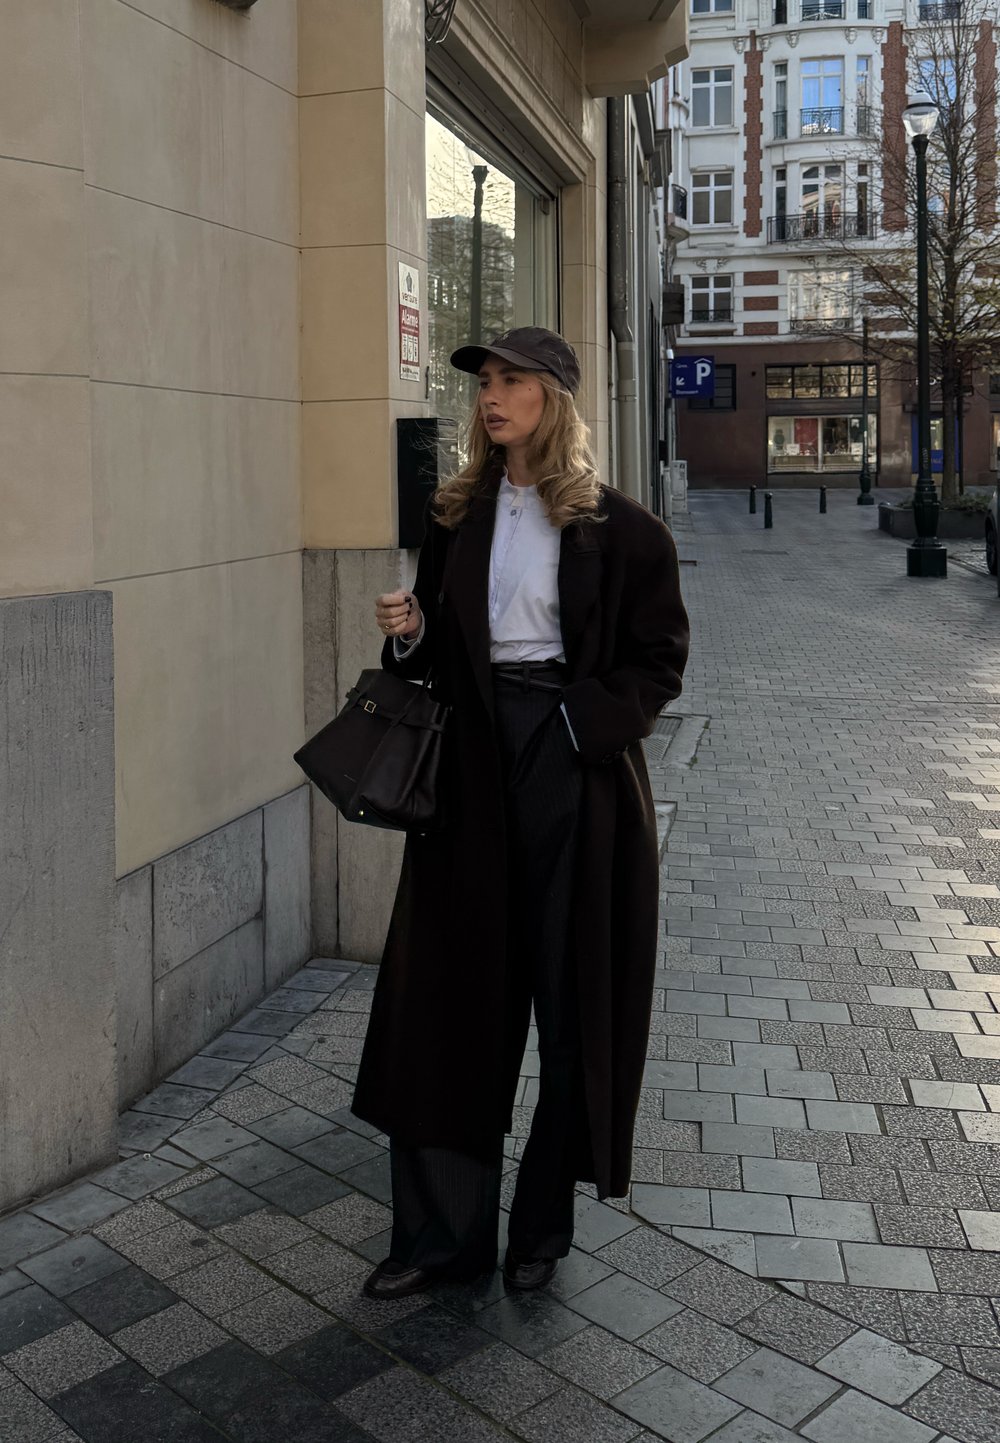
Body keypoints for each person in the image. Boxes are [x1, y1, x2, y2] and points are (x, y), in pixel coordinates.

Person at [353, 327, 689, 1299]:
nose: (491, 398)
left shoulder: (622, 530)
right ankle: (438, 1240)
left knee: (570, 1002)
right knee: (447, 1004)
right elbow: (437, 659)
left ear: (555, 400)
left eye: (511, 383)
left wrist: (579, 726)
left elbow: (656, 660)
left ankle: (539, 1228)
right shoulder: (455, 516)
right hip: (467, 779)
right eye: (485, 385)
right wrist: (412, 638)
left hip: (573, 782)